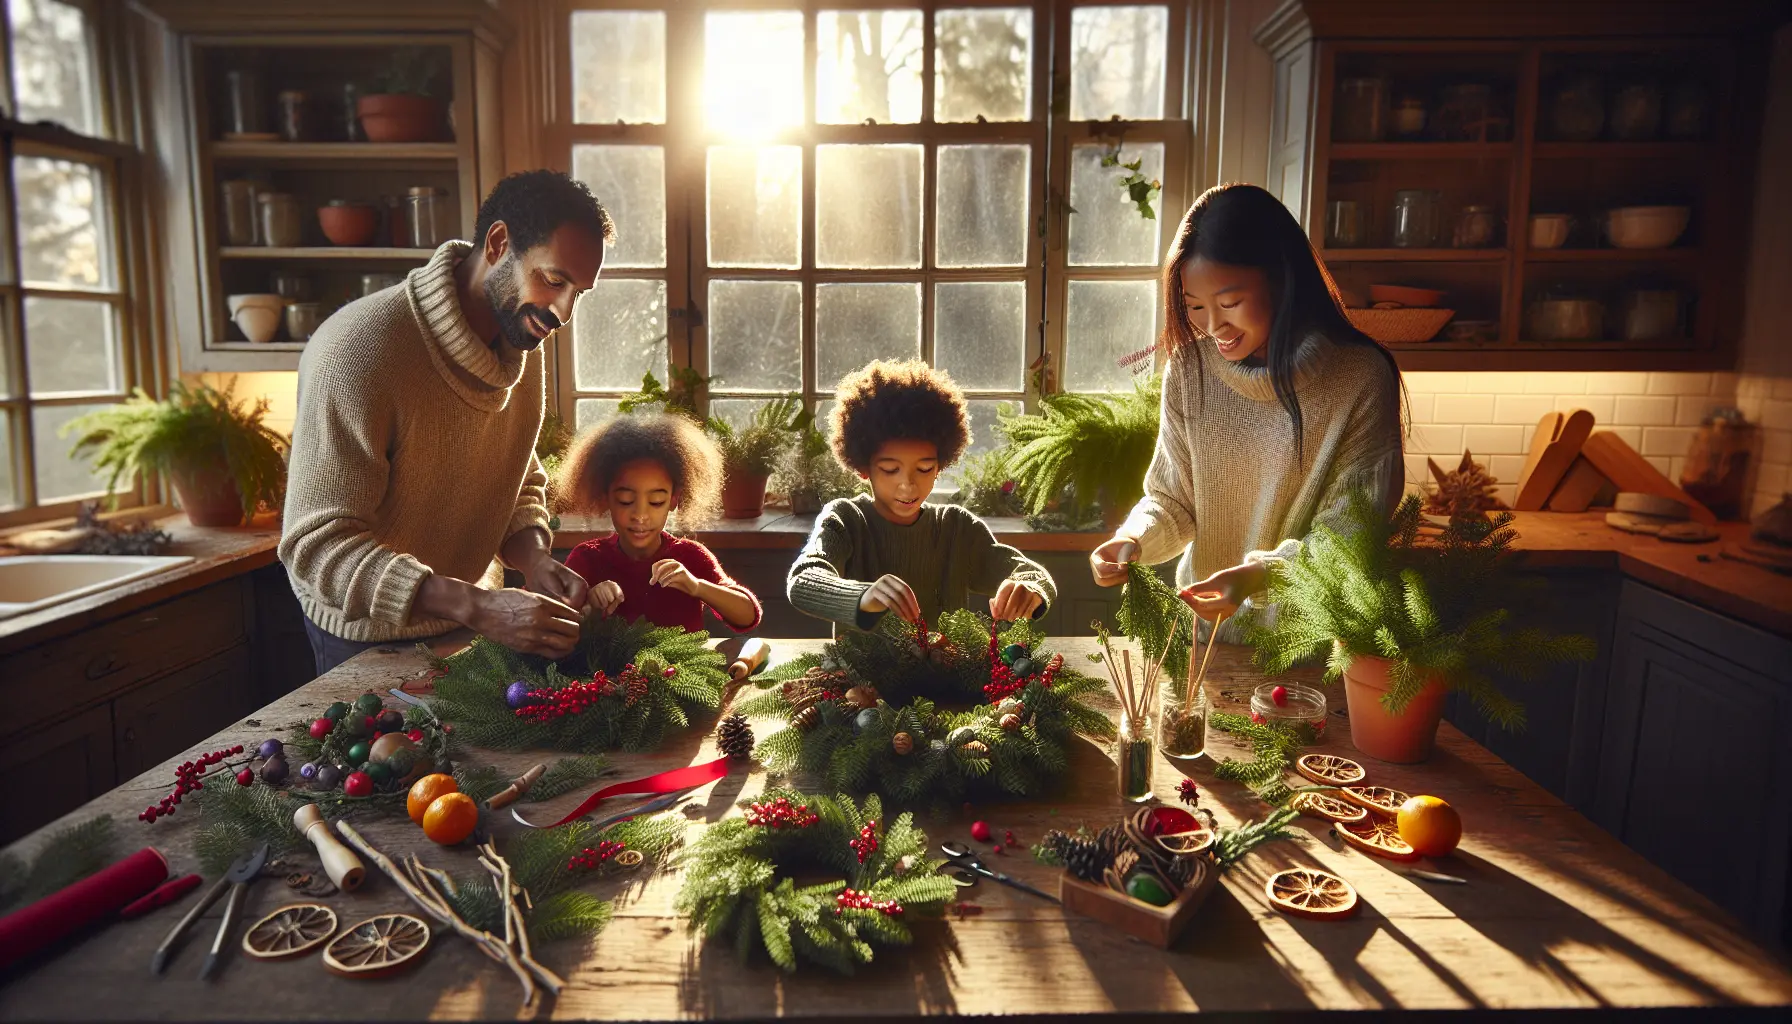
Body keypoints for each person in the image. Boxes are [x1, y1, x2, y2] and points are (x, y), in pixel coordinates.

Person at [280, 170, 612, 674]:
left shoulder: (519, 335)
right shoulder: (356, 351)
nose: (564, 311)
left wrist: (536, 560)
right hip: (368, 636)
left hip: (474, 620)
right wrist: (475, 605)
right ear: (499, 243)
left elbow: (516, 481)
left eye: (579, 292)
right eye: (554, 280)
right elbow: (319, 546)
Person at [1088, 183, 1405, 639]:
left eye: (1230, 303)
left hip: (1313, 651)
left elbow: (1351, 537)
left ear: (1280, 277)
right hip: (1207, 642)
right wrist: (1132, 540)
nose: (1213, 326)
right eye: (1195, 306)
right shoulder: (1190, 369)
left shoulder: (1360, 378)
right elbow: (1173, 500)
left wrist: (1258, 577)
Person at [788, 359, 1056, 632]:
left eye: (925, 468)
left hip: (945, 673)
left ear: (940, 465)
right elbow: (803, 580)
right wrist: (862, 596)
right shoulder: (846, 519)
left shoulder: (956, 528)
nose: (908, 485)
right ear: (864, 467)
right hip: (861, 674)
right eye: (891, 469)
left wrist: (1030, 588)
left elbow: (1033, 574)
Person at [556, 412, 762, 633]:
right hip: (608, 669)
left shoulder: (690, 555)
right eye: (626, 501)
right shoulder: (588, 558)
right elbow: (555, 621)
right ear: (605, 498)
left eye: (656, 502)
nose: (641, 515)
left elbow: (748, 616)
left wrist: (696, 586)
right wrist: (589, 603)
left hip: (683, 668)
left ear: (674, 500)